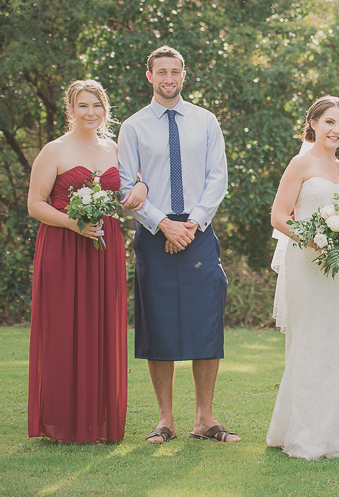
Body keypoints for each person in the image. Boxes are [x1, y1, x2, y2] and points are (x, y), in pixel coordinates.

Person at [117, 46, 238, 444]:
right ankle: (165, 419)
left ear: (184, 74)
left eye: (175, 72)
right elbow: (123, 186)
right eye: (161, 72)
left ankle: (205, 418)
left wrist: (191, 225)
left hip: (198, 231)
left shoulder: (206, 121)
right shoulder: (133, 126)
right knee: (160, 325)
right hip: (154, 233)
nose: (169, 79)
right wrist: (164, 224)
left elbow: (217, 178)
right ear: (149, 76)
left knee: (206, 323)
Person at [27, 79, 145, 443]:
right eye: (83, 105)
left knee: (102, 327)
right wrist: (73, 223)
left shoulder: (115, 149)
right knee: (63, 327)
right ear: (71, 109)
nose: (90, 112)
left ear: (105, 109)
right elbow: (35, 204)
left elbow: (132, 187)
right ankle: (62, 420)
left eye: (96, 105)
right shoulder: (54, 150)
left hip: (103, 249)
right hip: (62, 246)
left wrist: (140, 186)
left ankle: (98, 418)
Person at [266, 96, 339, 459]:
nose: (336, 130)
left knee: (337, 344)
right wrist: (314, 238)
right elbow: (279, 216)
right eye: (329, 122)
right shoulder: (300, 163)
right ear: (314, 123)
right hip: (307, 263)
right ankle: (303, 436)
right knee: (308, 344)